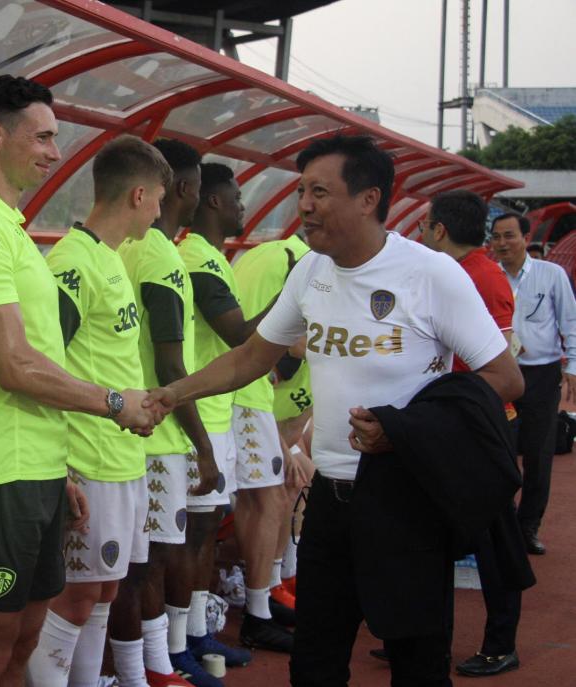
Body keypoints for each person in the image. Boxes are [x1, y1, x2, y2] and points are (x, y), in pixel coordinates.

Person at [148, 135, 524, 687]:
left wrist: (405, 430)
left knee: (418, 663)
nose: (303, 205)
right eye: (302, 191)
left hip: (407, 499)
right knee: (316, 663)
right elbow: (252, 357)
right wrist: (172, 395)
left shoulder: (431, 274)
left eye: (318, 192)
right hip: (330, 499)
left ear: (369, 199)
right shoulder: (310, 272)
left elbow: (505, 377)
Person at [0, 75, 160, 687]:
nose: (56, 153)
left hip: (39, 469)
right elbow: (14, 365)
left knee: (24, 644)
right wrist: (114, 403)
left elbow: (43, 354)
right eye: (45, 137)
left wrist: (61, 469)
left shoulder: (10, 227)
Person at [26, 134, 172, 687]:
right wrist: (61, 464)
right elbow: (45, 365)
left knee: (106, 591)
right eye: (158, 199)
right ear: (138, 195)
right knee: (77, 596)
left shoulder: (109, 258)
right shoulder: (71, 263)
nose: (160, 211)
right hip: (89, 460)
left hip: (124, 459)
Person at [114, 138, 220, 687]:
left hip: (134, 431)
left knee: (135, 567)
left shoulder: (129, 248)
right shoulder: (159, 253)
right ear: (182, 189)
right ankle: (154, 668)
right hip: (154, 435)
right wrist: (203, 445)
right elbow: (169, 359)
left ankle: (157, 664)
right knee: (148, 563)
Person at [422, 190, 530, 677]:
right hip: (455, 422)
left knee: (493, 540)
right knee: (437, 536)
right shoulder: (460, 274)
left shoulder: (481, 278)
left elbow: (502, 360)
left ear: (440, 229)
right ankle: (424, 635)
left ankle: (500, 643)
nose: (420, 231)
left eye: (425, 223)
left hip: (483, 425)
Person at [179, 161, 278, 661]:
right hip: (197, 419)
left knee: (201, 536)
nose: (243, 206)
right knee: (189, 540)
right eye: (237, 197)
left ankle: (195, 635)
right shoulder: (195, 258)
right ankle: (181, 645)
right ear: (213, 202)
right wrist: (292, 296)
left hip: (217, 417)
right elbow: (240, 337)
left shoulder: (214, 258)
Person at [228, 234, 313, 650]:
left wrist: (292, 448)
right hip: (240, 397)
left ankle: (270, 591)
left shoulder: (302, 261)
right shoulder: (283, 262)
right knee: (265, 500)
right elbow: (241, 336)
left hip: (253, 397)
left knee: (284, 490)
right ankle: (255, 607)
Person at [490, 212, 576, 555]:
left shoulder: (550, 275)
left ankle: (529, 527)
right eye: (496, 237)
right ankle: (504, 526)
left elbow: (570, 321)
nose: (502, 243)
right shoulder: (488, 276)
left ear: (526, 238)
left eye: (509, 236)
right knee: (500, 452)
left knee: (539, 457)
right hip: (500, 375)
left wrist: (573, 366)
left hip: (540, 375)